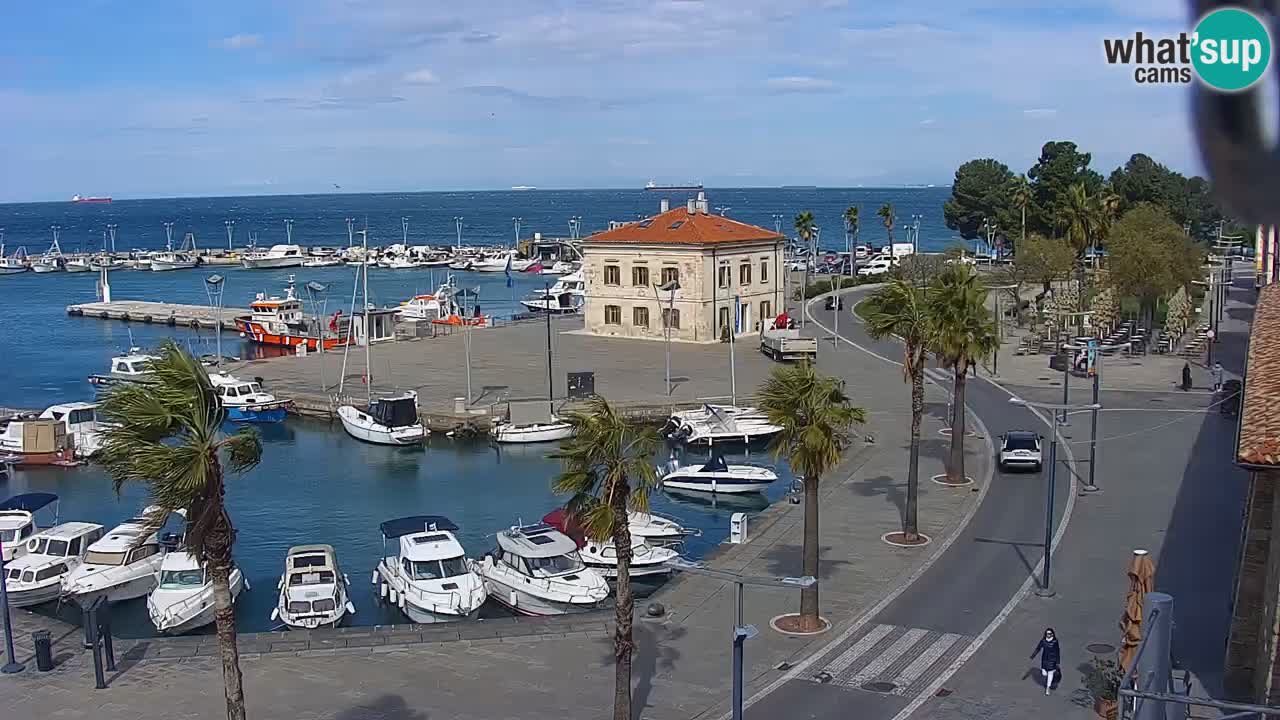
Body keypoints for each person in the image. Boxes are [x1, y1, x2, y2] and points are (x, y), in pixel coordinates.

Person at [1031, 627, 1061, 695]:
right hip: (1044, 660)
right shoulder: (1043, 641)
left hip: (1052, 660)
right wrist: (1033, 655)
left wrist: (1058, 662)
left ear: (1052, 634)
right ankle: (1049, 680)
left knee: (1050, 674)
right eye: (1047, 633)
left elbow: (1057, 651)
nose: (1048, 634)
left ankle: (1048, 688)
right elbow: (1038, 648)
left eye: (1050, 633)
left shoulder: (1055, 641)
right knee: (1044, 673)